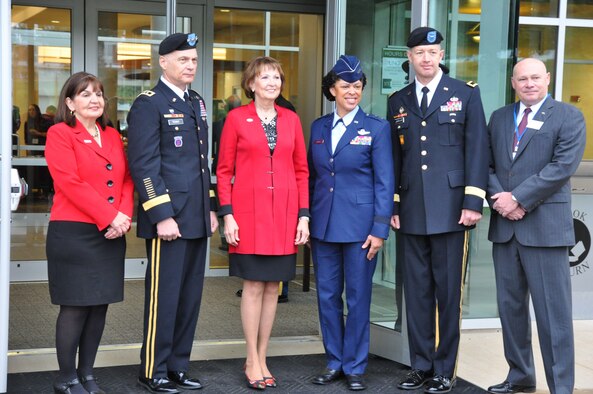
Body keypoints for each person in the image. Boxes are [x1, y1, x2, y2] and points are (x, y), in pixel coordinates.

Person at [387, 27, 489, 393]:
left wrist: (473, 201)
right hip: (411, 209)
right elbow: (397, 158)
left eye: (432, 51)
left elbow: (477, 150)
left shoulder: (464, 94)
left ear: (442, 55)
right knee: (415, 293)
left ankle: (445, 369)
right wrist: (394, 205)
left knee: (447, 295)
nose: (426, 58)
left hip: (452, 210)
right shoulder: (397, 100)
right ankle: (421, 365)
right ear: (410, 57)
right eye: (419, 53)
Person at [486, 58, 586, 394]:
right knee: (510, 310)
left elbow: (562, 167)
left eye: (535, 78)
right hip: (506, 229)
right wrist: (500, 197)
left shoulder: (568, 115)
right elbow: (485, 164)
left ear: (547, 79)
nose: (529, 84)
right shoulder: (499, 118)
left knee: (552, 316)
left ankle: (561, 386)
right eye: (522, 79)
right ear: (513, 83)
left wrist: (518, 198)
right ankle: (520, 376)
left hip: (544, 229)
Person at [127, 32, 218, 394]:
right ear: (163, 62)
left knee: (190, 298)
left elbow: (201, 164)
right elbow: (144, 164)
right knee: (163, 299)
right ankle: (153, 369)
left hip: (196, 215)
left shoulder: (196, 101)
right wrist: (161, 214)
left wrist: (210, 207)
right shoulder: (149, 103)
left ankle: (179, 365)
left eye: (194, 60)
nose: (190, 65)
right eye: (183, 59)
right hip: (169, 218)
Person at [216, 56, 309, 390]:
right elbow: (223, 171)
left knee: (274, 288)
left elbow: (301, 170)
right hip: (248, 215)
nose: (272, 82)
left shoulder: (292, 120)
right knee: (254, 285)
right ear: (251, 84)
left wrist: (304, 215)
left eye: (277, 77)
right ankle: (251, 359)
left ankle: (262, 356)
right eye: (265, 77)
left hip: (284, 215)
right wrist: (227, 214)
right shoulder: (237, 119)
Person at [44, 71, 134, 394]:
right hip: (74, 233)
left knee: (99, 306)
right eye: (85, 94)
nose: (95, 99)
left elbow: (126, 178)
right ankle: (66, 378)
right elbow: (69, 183)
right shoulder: (60, 134)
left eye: (98, 94)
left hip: (111, 232)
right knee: (76, 306)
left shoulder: (111, 135)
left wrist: (124, 215)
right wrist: (110, 217)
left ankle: (87, 374)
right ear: (70, 102)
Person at [309, 55, 394, 391]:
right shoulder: (318, 127)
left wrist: (379, 228)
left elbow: (385, 182)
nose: (352, 92)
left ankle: (355, 365)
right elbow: (314, 177)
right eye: (345, 86)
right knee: (327, 296)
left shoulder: (376, 128)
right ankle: (334, 360)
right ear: (332, 89)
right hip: (324, 225)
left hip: (361, 228)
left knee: (358, 297)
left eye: (357, 86)